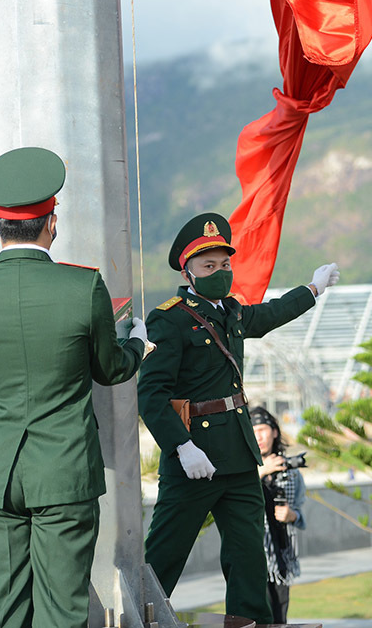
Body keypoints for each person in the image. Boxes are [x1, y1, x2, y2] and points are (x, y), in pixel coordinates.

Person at [0, 146, 151, 628]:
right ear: (51, 222)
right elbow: (110, 369)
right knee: (61, 613)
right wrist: (138, 344)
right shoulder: (83, 287)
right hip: (62, 474)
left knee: (1, 611)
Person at [137, 211, 339, 624]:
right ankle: (142, 617)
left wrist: (313, 288)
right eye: (209, 266)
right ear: (188, 271)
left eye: (225, 264)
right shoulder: (170, 319)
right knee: (166, 553)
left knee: (248, 550)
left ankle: (249, 621)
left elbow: (269, 315)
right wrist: (181, 447)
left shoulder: (230, 312)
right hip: (196, 456)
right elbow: (151, 396)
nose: (220, 272)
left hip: (239, 453)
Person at [251, 406, 307, 624]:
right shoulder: (244, 470)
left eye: (263, 429)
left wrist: (292, 516)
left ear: (274, 431)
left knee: (280, 617)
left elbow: (301, 514)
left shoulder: (292, 473)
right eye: (253, 430)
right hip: (254, 558)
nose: (259, 437)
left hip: (282, 559)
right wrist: (261, 472)